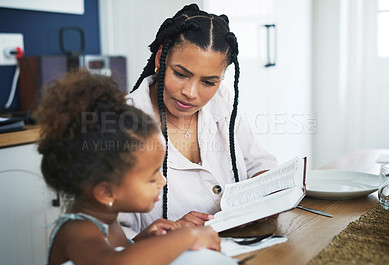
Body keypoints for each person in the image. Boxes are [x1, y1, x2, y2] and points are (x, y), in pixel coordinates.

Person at [36, 70, 236, 265]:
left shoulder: (106, 220)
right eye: (152, 177)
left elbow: (118, 252)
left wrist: (141, 240)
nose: (162, 181)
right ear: (106, 192)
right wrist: (189, 237)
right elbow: (116, 262)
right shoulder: (77, 231)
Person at [120, 3, 277, 239]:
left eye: (209, 82)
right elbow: (107, 236)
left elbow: (259, 163)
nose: (191, 93)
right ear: (161, 58)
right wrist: (167, 234)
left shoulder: (222, 102)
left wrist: (265, 192)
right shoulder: (121, 124)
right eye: (181, 74)